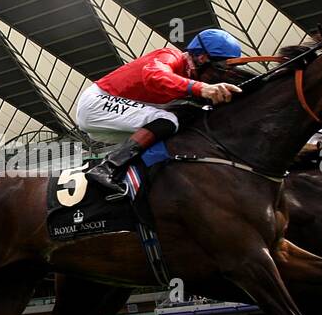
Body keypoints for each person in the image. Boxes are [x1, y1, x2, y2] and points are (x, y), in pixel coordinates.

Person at [75, 29, 246, 194]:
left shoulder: (189, 76)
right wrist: (201, 88)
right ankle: (107, 167)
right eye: (221, 68)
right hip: (95, 103)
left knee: (184, 118)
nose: (223, 75)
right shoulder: (170, 55)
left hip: (107, 119)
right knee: (167, 119)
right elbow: (154, 75)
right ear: (202, 58)